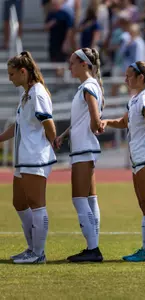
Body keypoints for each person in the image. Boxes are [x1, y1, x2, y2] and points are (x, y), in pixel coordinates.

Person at [100, 61, 145, 262]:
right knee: (143, 202)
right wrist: (108, 121)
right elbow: (125, 121)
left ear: (141, 78)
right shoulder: (135, 99)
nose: (125, 79)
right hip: (138, 157)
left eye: (129, 76)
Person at [1, 51, 57, 263]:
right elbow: (18, 126)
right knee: (19, 202)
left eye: (12, 74)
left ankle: (38, 253)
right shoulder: (27, 94)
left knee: (36, 204)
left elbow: (47, 121)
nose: (10, 78)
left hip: (34, 156)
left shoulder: (37, 92)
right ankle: (32, 248)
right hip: (23, 157)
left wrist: (54, 141)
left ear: (23, 72)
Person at [55, 48, 105, 262]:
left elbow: (93, 116)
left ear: (84, 64)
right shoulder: (89, 86)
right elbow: (81, 120)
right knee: (90, 199)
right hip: (85, 147)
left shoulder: (88, 86)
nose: (70, 66)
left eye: (73, 63)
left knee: (79, 199)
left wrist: (96, 125)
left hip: (84, 148)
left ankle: (93, 249)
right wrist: (64, 135)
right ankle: (93, 246)